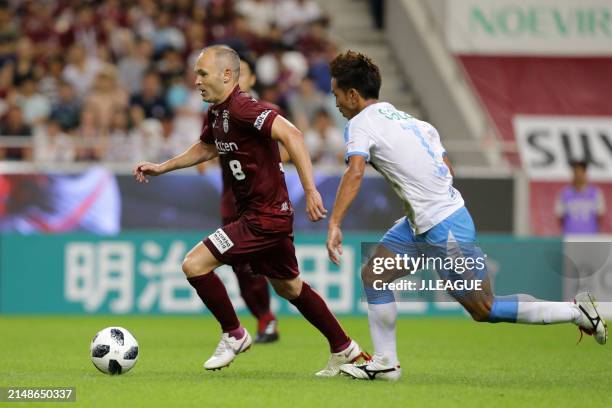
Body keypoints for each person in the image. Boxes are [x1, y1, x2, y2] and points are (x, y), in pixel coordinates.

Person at [325, 51, 608, 382]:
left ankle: (577, 311)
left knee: (483, 308)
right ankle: (386, 362)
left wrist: (334, 222)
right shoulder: (414, 122)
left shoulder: (360, 124)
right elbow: (447, 168)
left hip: (444, 226)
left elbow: (355, 172)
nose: (337, 104)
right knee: (374, 275)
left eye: (337, 96)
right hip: (422, 224)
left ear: (353, 95)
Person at [133, 45, 365, 375]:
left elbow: (293, 135)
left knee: (194, 264)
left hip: (264, 218)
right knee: (289, 287)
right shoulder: (216, 112)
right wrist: (162, 167)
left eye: (202, 73)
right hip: (262, 215)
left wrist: (311, 190)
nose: (196, 80)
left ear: (227, 74)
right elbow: (206, 147)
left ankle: (234, 334)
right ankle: (347, 349)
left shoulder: (243, 107)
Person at [213, 53, 281, 343]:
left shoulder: (266, 112)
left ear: (251, 79)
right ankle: (265, 318)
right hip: (232, 201)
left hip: (264, 204)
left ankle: (268, 318)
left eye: (244, 74)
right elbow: (207, 152)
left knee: (275, 269)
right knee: (241, 265)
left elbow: (287, 149)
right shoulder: (219, 113)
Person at [555, 160, 606, 235]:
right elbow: (560, 216)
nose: (578, 175)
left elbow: (600, 216)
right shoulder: (564, 193)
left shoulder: (595, 193)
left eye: (580, 172)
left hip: (590, 237)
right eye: (576, 172)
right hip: (570, 237)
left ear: (585, 174)